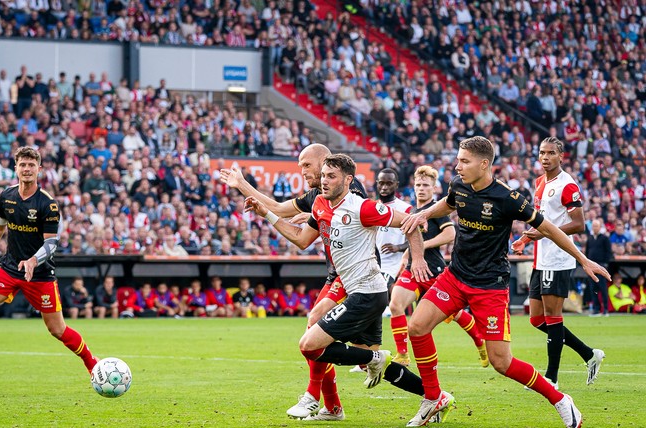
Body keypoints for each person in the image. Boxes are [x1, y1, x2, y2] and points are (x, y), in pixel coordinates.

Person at [400, 136, 610, 427]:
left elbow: (549, 229)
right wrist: (425, 212)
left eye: (464, 161)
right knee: (417, 327)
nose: (457, 166)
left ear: (484, 164)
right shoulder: (458, 185)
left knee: (502, 362)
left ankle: (560, 399)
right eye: (458, 160)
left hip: (489, 286)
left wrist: (583, 259)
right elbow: (448, 204)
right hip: (455, 276)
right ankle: (434, 398)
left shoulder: (507, 198)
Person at [246, 154, 434, 422]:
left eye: (331, 176)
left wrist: (417, 259)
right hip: (353, 288)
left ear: (348, 180)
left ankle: (318, 396)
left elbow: (411, 222)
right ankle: (435, 395)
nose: (324, 181)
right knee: (361, 355)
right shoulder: (321, 204)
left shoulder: (363, 207)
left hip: (368, 292)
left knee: (310, 345)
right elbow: (300, 238)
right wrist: (265, 213)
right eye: (323, 175)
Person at [0, 147, 98, 385]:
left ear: (39, 170)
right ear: (16, 168)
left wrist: (34, 260)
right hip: (10, 268)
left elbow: (52, 243)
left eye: (31, 165)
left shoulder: (48, 204)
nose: (27, 169)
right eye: (22, 165)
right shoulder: (6, 196)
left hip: (40, 275)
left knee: (57, 330)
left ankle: (91, 363)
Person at [511, 137, 605, 388]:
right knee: (536, 319)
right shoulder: (540, 182)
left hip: (558, 258)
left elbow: (578, 224)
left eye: (551, 153)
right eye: (542, 152)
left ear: (561, 156)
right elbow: (541, 220)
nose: (545, 157)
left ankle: (552, 377)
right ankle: (589, 354)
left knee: (553, 316)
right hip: (540, 257)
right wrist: (526, 239)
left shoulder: (567, 184)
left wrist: (543, 234)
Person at [388, 165, 488, 368]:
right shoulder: (413, 211)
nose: (421, 188)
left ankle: (480, 340)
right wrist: (406, 256)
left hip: (433, 270)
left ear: (434, 188)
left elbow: (450, 234)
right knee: (396, 304)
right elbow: (413, 242)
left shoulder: (435, 210)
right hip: (412, 269)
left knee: (456, 314)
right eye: (418, 185)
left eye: (426, 185)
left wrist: (422, 246)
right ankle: (402, 354)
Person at [584, 219, 612, 316]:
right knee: (593, 288)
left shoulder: (604, 238)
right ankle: (596, 309)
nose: (595, 228)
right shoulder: (590, 238)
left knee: (603, 288)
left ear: (600, 227)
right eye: (593, 226)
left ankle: (605, 310)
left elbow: (608, 252)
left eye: (596, 226)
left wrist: (605, 264)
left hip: (601, 266)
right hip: (591, 267)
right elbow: (587, 252)